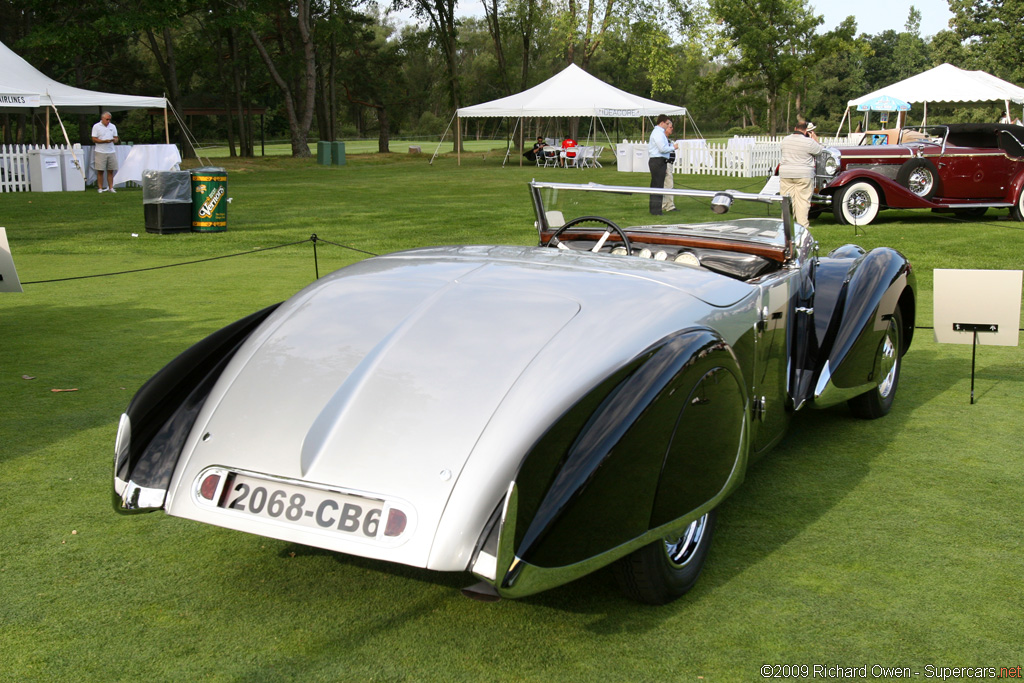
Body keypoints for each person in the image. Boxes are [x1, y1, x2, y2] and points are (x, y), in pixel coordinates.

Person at [778, 121, 822, 226]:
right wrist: (815, 140)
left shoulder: (785, 140)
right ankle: (802, 225)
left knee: (786, 200)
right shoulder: (809, 142)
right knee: (802, 201)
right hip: (803, 174)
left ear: (795, 128)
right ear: (806, 130)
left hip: (786, 173)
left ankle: (785, 225)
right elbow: (819, 151)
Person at [648, 115, 673, 214]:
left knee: (658, 185)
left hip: (659, 161)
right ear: (661, 123)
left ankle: (655, 209)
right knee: (657, 186)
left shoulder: (660, 133)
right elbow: (662, 149)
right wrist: (673, 147)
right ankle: (656, 210)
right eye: (667, 124)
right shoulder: (658, 133)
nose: (668, 126)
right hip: (657, 160)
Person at [91, 112, 120, 193]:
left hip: (111, 150)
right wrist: (104, 141)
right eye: (107, 119)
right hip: (100, 151)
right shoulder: (96, 126)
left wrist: (114, 140)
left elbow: (116, 137)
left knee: (111, 170)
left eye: (109, 119)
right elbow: (94, 139)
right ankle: (100, 188)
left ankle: (111, 187)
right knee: (100, 170)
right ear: (102, 119)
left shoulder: (112, 126)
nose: (108, 121)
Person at [662, 121, 678, 213]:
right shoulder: (663, 139)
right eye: (670, 127)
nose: (672, 129)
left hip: (669, 163)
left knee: (665, 185)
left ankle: (664, 204)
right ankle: (670, 206)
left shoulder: (667, 139)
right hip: (666, 163)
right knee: (669, 184)